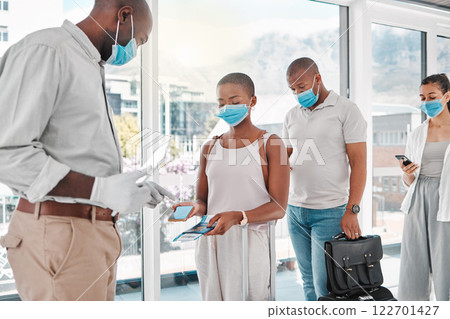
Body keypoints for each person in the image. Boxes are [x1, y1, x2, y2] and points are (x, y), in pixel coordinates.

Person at [0, 0, 174, 301]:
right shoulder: (47, 50)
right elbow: (7, 152)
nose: (135, 49)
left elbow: (74, 152)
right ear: (124, 15)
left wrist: (123, 188)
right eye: (139, 40)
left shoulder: (89, 64)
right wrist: (100, 188)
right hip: (61, 234)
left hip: (90, 234)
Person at [173, 73, 290, 300]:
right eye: (221, 103)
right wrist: (194, 208)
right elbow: (204, 202)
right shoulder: (210, 147)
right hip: (211, 240)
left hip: (249, 241)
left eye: (235, 102)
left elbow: (279, 207)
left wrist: (238, 216)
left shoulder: (271, 144)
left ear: (252, 102)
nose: (227, 108)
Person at [282, 57, 367, 301]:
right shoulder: (291, 115)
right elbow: (286, 157)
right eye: (293, 89)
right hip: (296, 210)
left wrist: (352, 209)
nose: (298, 93)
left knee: (326, 285)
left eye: (301, 86)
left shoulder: (346, 109)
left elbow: (359, 163)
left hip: (329, 211)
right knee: (307, 280)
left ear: (317, 79)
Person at [397, 73, 450, 301]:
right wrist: (407, 173)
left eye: (432, 96)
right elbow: (410, 182)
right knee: (413, 263)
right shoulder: (417, 133)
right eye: (422, 97)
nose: (427, 102)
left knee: (444, 262)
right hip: (418, 199)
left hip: (445, 199)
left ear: (447, 96)